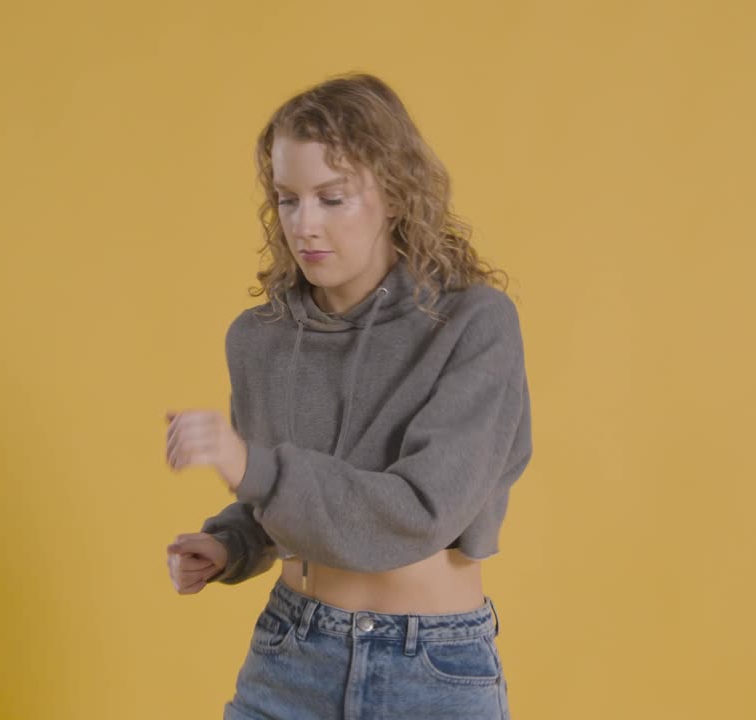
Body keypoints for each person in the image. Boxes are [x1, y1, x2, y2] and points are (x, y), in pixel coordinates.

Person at [164, 72, 532, 720]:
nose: (304, 224)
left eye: (332, 198)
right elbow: (286, 504)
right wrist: (232, 544)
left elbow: (420, 511)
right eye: (287, 198)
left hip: (431, 672)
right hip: (291, 655)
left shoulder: (475, 326)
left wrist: (249, 464)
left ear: (393, 194)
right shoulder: (259, 340)